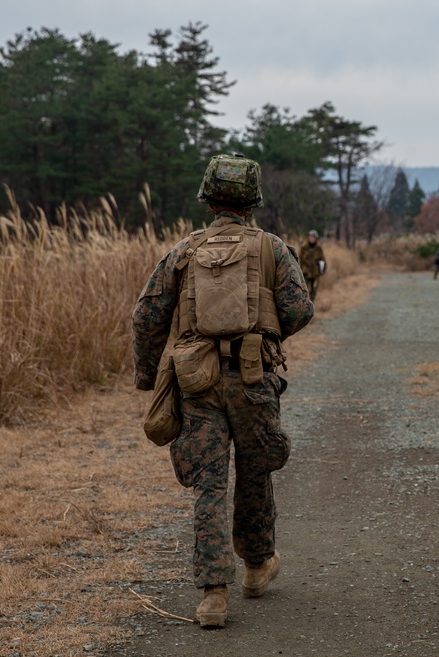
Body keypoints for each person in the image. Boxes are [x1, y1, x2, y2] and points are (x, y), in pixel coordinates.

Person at [132, 154, 314, 628]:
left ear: (208, 199)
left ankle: (213, 595)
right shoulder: (272, 247)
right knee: (255, 472)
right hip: (254, 378)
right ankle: (256, 567)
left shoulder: (184, 250)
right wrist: (265, 337)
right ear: (253, 200)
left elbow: (147, 315)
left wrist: (148, 376)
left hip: (197, 381)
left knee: (209, 483)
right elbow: (300, 309)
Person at [298, 230, 326, 301]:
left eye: (313, 237)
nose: (311, 239)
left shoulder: (319, 249)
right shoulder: (304, 248)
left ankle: (312, 305)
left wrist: (322, 270)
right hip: (306, 273)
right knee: (305, 291)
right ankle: (305, 306)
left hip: (315, 273)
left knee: (313, 291)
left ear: (316, 238)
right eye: (310, 237)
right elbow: (299, 260)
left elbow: (322, 260)